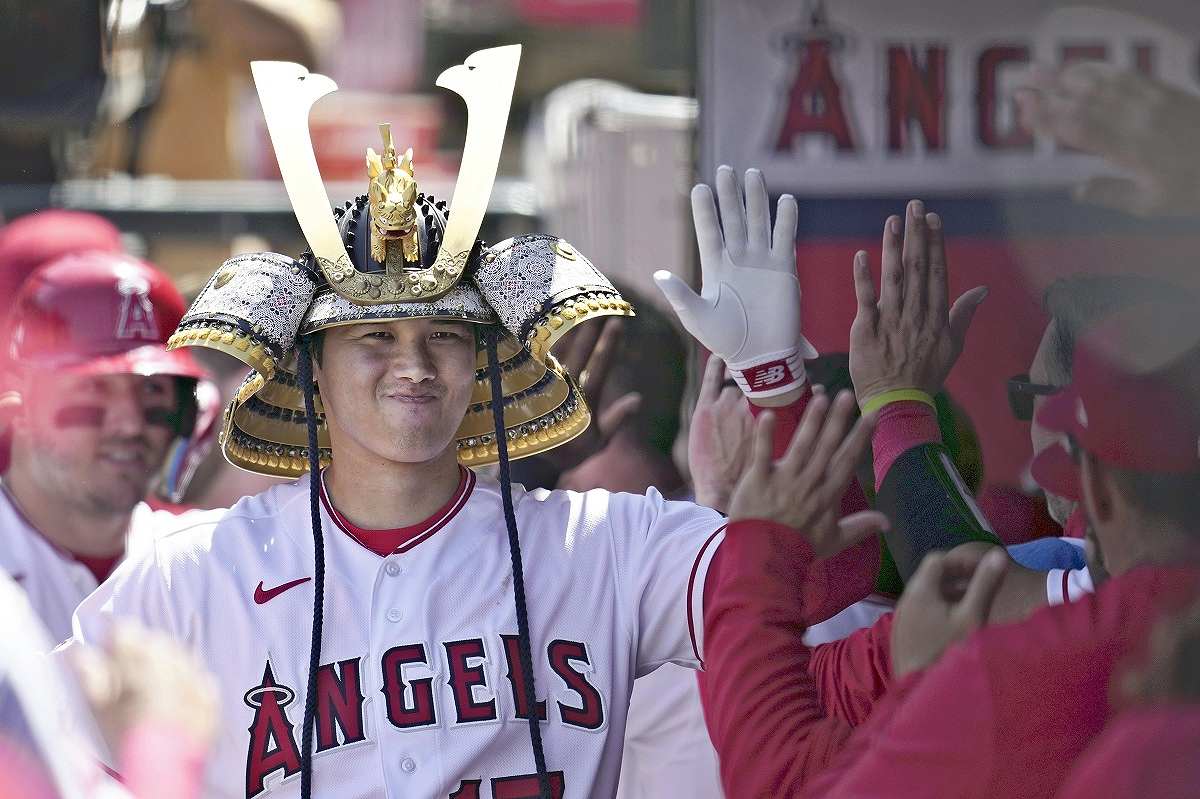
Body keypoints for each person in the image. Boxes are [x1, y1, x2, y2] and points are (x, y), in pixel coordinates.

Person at [66, 51, 879, 799]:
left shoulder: (603, 546)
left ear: (485, 362)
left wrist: (774, 378)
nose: (414, 364)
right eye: (375, 336)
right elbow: (45, 751)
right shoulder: (188, 577)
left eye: (445, 336)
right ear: (311, 368)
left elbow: (821, 582)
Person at [699, 252, 1200, 799]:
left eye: (1029, 399)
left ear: (1091, 478)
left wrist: (738, 528)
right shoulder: (1085, 601)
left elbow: (783, 771)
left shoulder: (1010, 659)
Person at [0, 251, 210, 643]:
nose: (129, 424)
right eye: (92, 386)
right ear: (22, 400)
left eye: (152, 388)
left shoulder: (202, 559)